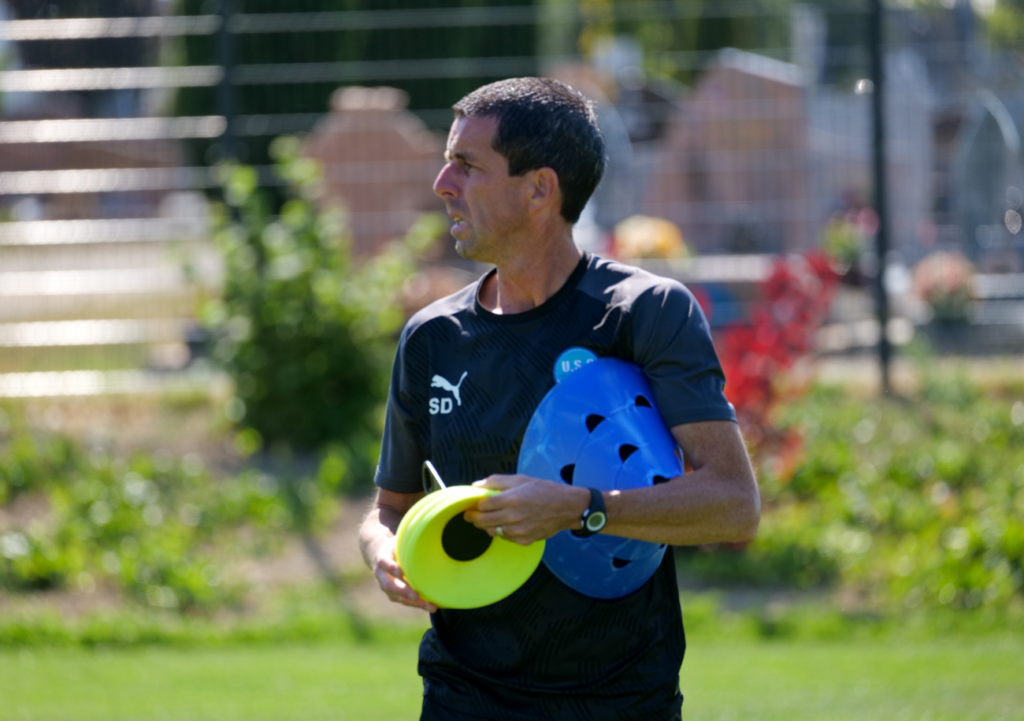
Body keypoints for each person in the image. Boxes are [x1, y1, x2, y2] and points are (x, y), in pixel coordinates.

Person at [359, 77, 760, 721]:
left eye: (466, 165)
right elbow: (388, 508)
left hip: (623, 701)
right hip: (464, 698)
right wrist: (384, 552)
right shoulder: (431, 337)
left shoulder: (645, 313)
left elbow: (734, 507)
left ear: (540, 189)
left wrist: (580, 508)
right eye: (446, 162)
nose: (442, 184)